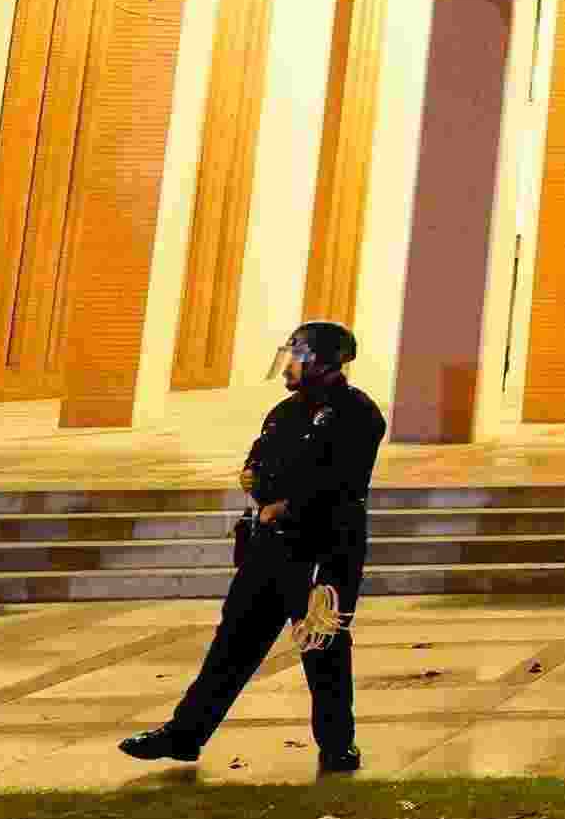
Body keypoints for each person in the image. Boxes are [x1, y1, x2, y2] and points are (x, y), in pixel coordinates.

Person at [120, 320, 386, 772]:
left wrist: (288, 504)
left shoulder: (357, 413)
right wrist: (264, 490)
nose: (289, 365)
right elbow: (257, 466)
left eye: (298, 356)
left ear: (325, 363)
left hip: (323, 551)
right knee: (232, 646)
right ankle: (184, 736)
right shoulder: (284, 412)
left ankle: (338, 746)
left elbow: (339, 483)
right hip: (271, 549)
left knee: (322, 647)